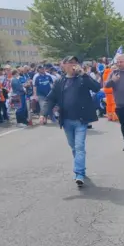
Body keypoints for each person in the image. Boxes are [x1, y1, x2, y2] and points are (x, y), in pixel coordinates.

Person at [44, 56, 101, 187]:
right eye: (70, 63)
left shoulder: (82, 79)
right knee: (73, 146)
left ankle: (79, 173)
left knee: (79, 147)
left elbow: (96, 87)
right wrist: (44, 114)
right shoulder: (60, 81)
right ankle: (80, 167)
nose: (73, 65)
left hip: (81, 120)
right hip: (66, 120)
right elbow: (50, 99)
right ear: (63, 66)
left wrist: (84, 74)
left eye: (75, 63)